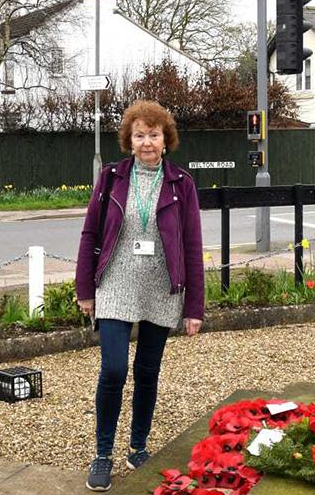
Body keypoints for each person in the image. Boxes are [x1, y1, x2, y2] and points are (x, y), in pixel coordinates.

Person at [75, 100, 204, 492]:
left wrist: (194, 307)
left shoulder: (182, 184)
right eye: (139, 135)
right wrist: (85, 289)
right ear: (128, 140)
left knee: (148, 372)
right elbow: (90, 234)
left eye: (154, 134)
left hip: (161, 287)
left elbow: (192, 245)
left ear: (166, 140)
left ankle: (138, 446)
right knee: (114, 369)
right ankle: (102, 454)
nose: (147, 142)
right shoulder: (111, 178)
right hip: (115, 283)